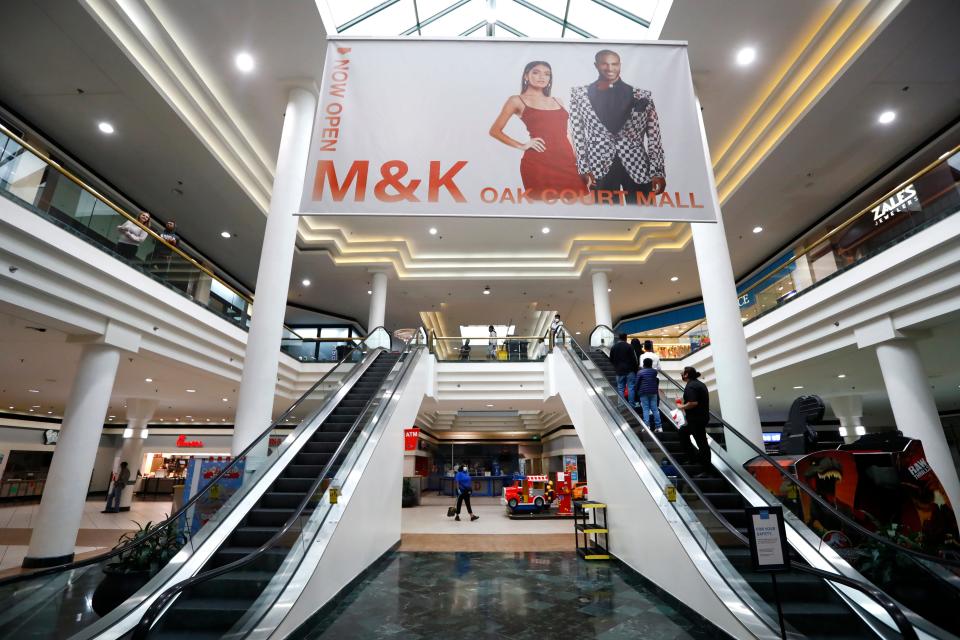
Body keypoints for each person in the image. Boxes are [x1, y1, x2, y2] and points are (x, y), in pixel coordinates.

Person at [569, 49, 666, 205]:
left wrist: (658, 171)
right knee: (604, 219)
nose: (610, 68)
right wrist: (583, 168)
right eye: (604, 64)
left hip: (638, 165)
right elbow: (577, 133)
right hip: (598, 165)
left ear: (620, 65)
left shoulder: (643, 95)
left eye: (614, 64)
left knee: (643, 212)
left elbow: (654, 136)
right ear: (596, 65)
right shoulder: (579, 95)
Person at [489, 61, 587, 200]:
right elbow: (495, 131)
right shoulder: (516, 100)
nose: (542, 77)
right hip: (539, 163)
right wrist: (522, 145)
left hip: (567, 162)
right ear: (526, 76)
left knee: (584, 206)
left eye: (547, 74)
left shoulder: (558, 100)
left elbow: (567, 134)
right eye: (536, 72)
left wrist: (580, 163)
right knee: (542, 212)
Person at [678, 366, 711, 474]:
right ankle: (695, 459)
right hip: (701, 418)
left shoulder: (691, 386)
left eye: (682, 373)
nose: (681, 375)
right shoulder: (699, 384)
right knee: (686, 434)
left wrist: (681, 406)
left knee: (701, 443)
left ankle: (704, 468)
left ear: (686, 374)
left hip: (696, 419)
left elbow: (693, 402)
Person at [609, 333, 638, 407]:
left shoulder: (614, 347)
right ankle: (631, 404)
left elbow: (611, 359)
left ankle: (621, 404)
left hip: (619, 371)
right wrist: (635, 370)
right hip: (630, 371)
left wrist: (616, 366)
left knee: (620, 388)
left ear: (619, 338)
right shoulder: (629, 346)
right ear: (626, 338)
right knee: (631, 387)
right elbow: (634, 359)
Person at [636, 357, 662, 433]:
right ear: (651, 364)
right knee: (655, 409)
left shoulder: (640, 372)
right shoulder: (654, 372)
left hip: (643, 392)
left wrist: (636, 390)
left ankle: (647, 426)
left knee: (646, 409)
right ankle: (659, 427)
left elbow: (637, 383)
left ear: (643, 364)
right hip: (653, 392)